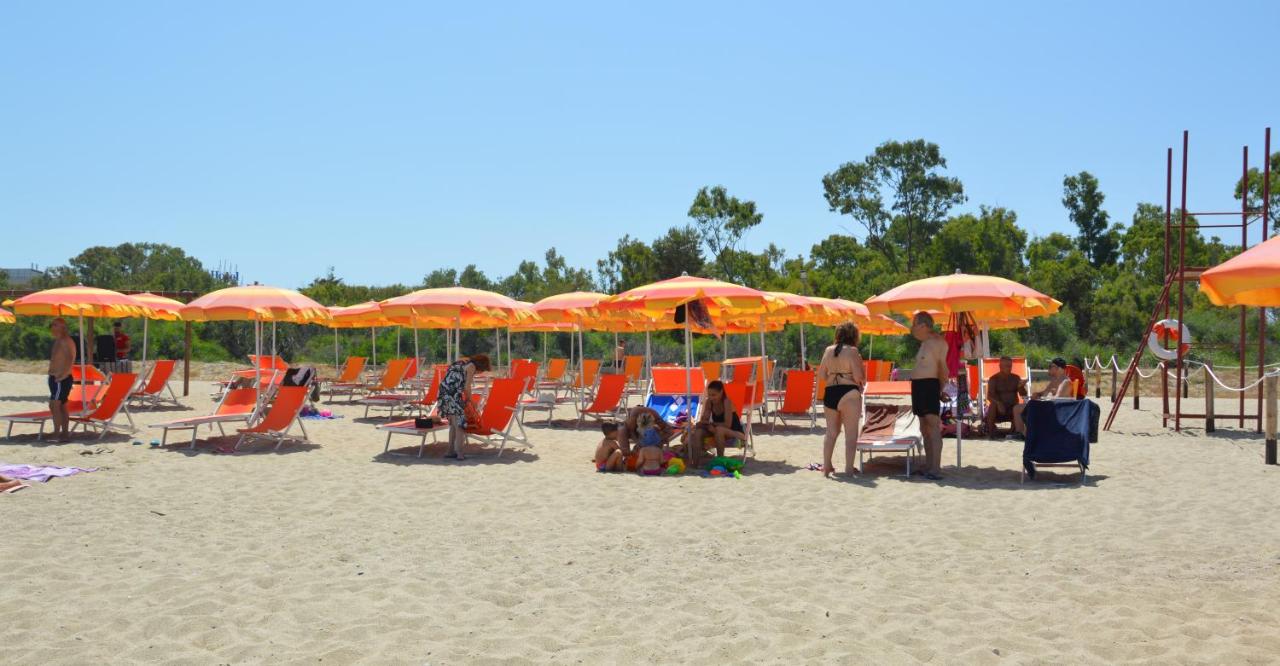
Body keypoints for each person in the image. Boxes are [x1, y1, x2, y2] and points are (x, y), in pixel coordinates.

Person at [815, 322, 866, 478]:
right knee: (851, 435)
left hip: (830, 392)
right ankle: (849, 469)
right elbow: (859, 377)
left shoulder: (828, 350)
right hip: (848, 393)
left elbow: (821, 375)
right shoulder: (853, 351)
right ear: (854, 336)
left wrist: (834, 376)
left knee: (831, 432)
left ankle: (826, 467)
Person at [910, 312, 949, 481]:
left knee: (933, 426)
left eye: (914, 324)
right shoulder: (924, 343)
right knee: (923, 428)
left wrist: (940, 389)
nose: (912, 328)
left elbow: (943, 369)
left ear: (923, 325)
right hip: (918, 386)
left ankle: (936, 468)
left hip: (929, 385)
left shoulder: (937, 343)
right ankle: (928, 464)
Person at [436, 353, 492, 460]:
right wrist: (472, 402)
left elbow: (455, 380)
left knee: (453, 424)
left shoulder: (462, 362)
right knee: (460, 424)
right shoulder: (472, 366)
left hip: (443, 393)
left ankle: (450, 451)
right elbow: (467, 387)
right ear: (480, 365)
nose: (480, 373)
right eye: (482, 370)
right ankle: (460, 453)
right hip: (452, 394)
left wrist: (465, 398)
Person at [685, 380, 747, 466]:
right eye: (709, 395)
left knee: (719, 430)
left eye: (714, 395)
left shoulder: (726, 402)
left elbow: (727, 425)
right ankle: (695, 463)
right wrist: (703, 423)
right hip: (717, 429)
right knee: (699, 432)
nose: (711, 398)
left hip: (735, 432)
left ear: (721, 392)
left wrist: (712, 425)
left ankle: (720, 461)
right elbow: (705, 419)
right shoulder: (709, 402)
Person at [1011, 357, 1073, 437]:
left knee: (1029, 408)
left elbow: (1056, 398)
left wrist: (1046, 396)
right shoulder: (1054, 380)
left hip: (1055, 409)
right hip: (1046, 405)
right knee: (1017, 408)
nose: (1049, 368)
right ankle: (1020, 433)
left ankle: (1029, 434)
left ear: (1059, 368)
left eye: (1051, 366)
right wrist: (1038, 394)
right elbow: (1045, 392)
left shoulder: (1065, 381)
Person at [47, 317, 76, 443]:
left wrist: (63, 375)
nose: (52, 327)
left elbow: (71, 358)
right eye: (52, 325)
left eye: (55, 325)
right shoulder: (58, 340)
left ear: (63, 328)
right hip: (55, 377)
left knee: (55, 405)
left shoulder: (66, 341)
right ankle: (64, 434)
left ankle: (56, 434)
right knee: (61, 406)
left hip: (61, 378)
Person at [983, 356, 1027, 438]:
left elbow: (1023, 394)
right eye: (1006, 366)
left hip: (1012, 408)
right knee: (992, 406)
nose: (1009, 368)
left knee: (1017, 407)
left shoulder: (1015, 378)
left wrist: (1021, 387)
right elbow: (989, 396)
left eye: (1010, 366)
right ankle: (991, 432)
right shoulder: (994, 379)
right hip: (998, 409)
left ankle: (1013, 431)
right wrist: (999, 403)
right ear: (1000, 366)